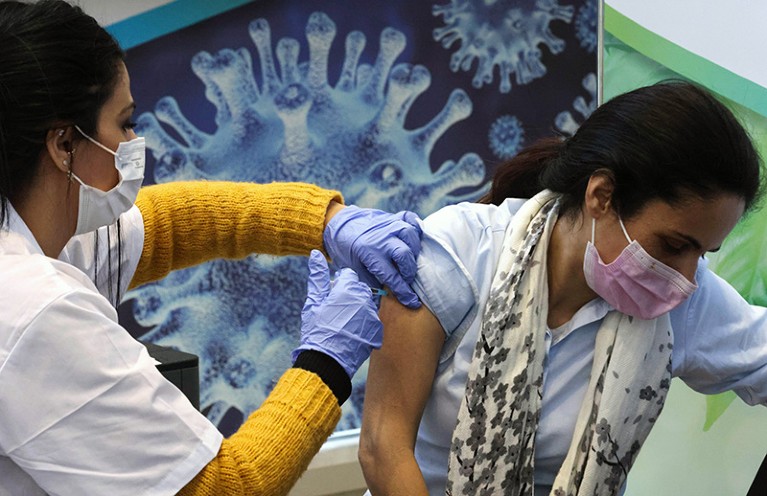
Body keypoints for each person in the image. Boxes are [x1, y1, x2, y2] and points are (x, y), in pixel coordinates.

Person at [0, 1, 422, 495]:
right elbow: (223, 488)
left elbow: (168, 225)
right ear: (63, 144)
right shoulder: (37, 314)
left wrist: (323, 221)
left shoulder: (28, 240)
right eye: (124, 122)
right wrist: (326, 360)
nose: (135, 141)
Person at [358, 80, 767, 496]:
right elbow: (382, 445)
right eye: (675, 246)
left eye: (702, 253)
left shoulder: (680, 305)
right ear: (601, 196)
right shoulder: (460, 254)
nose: (685, 278)